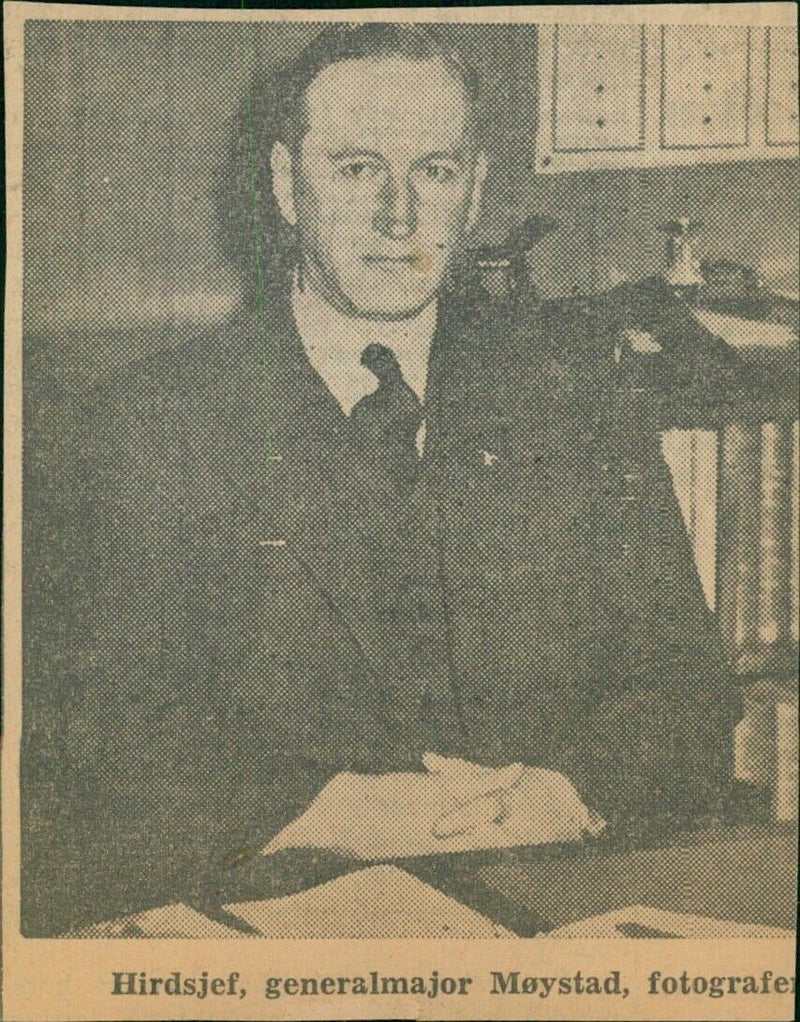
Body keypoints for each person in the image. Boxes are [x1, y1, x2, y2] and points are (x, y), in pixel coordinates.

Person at [22, 24, 741, 936]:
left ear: (474, 191)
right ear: (288, 185)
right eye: (358, 169)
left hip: (547, 908)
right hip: (272, 921)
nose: (398, 217)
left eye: (434, 173)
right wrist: (333, 813)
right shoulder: (143, 425)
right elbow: (87, 754)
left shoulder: (575, 395)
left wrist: (563, 794)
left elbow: (686, 689)